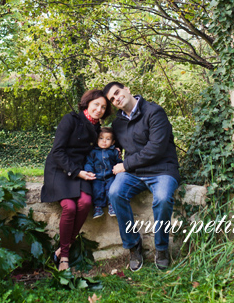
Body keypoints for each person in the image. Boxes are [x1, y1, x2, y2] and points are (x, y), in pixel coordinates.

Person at [103, 81, 180, 271]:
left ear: (127, 89)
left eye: (117, 93)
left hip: (162, 169)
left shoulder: (154, 112)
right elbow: (112, 146)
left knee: (162, 198)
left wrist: (126, 164)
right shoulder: (118, 123)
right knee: (115, 193)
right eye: (112, 99)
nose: (117, 98)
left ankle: (161, 248)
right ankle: (133, 246)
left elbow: (156, 148)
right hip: (135, 173)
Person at [41, 89, 110, 271]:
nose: (99, 109)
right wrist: (77, 171)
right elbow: (57, 151)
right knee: (69, 207)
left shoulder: (97, 128)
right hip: (61, 169)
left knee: (85, 203)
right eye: (96, 104)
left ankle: (62, 249)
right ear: (87, 103)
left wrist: (113, 151)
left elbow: (103, 145)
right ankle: (64, 256)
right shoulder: (70, 119)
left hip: (82, 171)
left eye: (103, 107)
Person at [84, 127, 122, 219]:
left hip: (110, 176)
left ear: (113, 142)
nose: (104, 141)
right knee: (97, 190)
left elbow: (119, 162)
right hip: (97, 176)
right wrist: (89, 171)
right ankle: (98, 207)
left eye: (108, 139)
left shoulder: (113, 151)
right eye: (101, 138)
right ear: (96, 140)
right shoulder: (93, 152)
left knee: (111, 189)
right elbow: (89, 162)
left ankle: (112, 206)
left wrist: (121, 166)